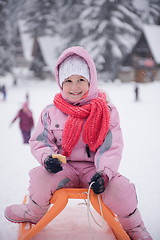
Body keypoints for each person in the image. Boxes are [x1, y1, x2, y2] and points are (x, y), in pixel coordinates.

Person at [4, 46, 152, 240]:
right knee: (40, 178)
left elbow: (112, 146)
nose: (75, 87)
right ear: (60, 83)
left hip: (95, 171)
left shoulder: (106, 110)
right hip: (64, 169)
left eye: (81, 80)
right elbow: (41, 141)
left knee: (122, 189)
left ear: (91, 81)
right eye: (69, 81)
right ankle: (34, 211)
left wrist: (105, 174)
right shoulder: (50, 111)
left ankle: (134, 227)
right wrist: (48, 158)